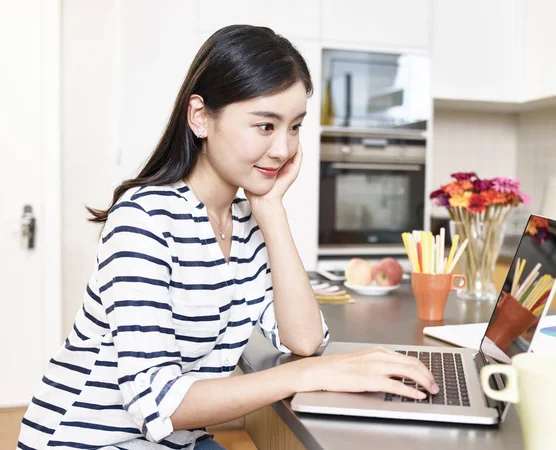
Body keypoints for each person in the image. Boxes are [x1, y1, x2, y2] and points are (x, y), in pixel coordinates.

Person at [18, 25, 438, 450]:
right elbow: (157, 403)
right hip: (84, 443)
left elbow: (305, 339)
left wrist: (271, 212)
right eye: (264, 125)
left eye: (294, 127)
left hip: (173, 442)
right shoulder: (143, 220)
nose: (282, 149)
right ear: (200, 117)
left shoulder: (246, 222)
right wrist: (307, 374)